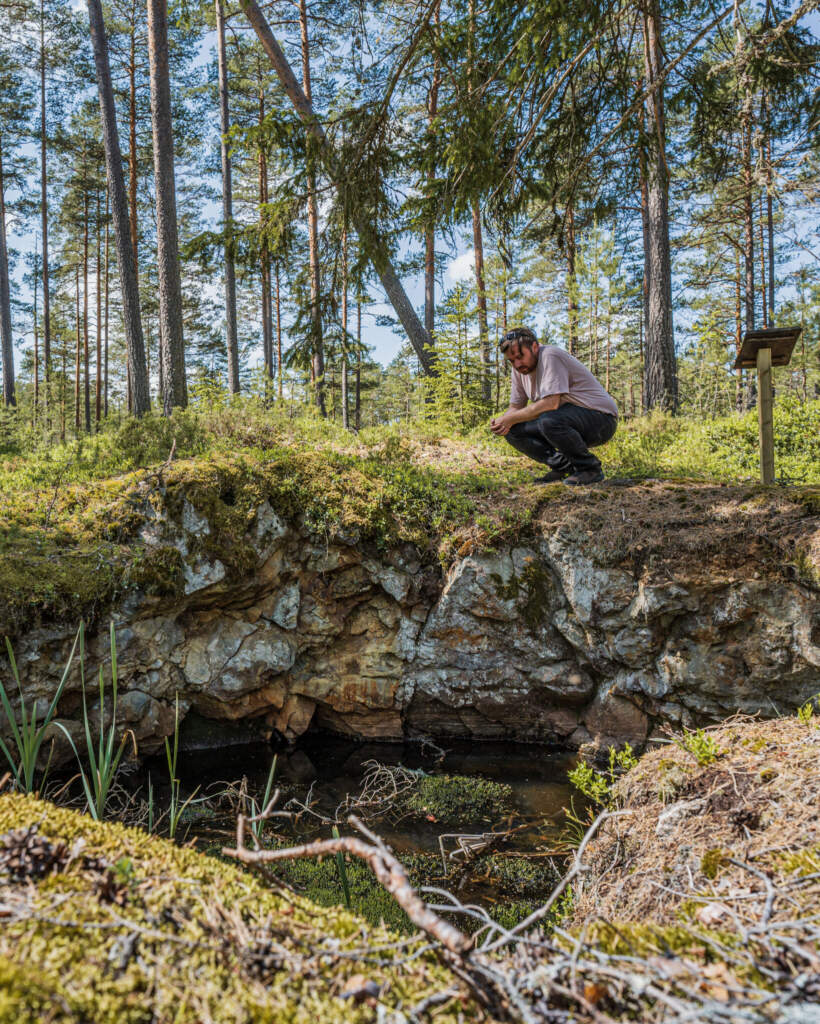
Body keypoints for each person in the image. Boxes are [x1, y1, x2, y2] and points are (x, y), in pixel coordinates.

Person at [490, 327, 618, 485]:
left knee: (548, 419)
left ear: (535, 347)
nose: (517, 364)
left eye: (520, 356)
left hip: (601, 420)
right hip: (566, 419)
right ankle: (565, 467)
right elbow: (516, 406)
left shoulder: (550, 356)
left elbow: (551, 403)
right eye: (511, 360)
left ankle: (590, 469)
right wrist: (504, 422)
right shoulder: (519, 370)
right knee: (513, 430)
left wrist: (510, 418)